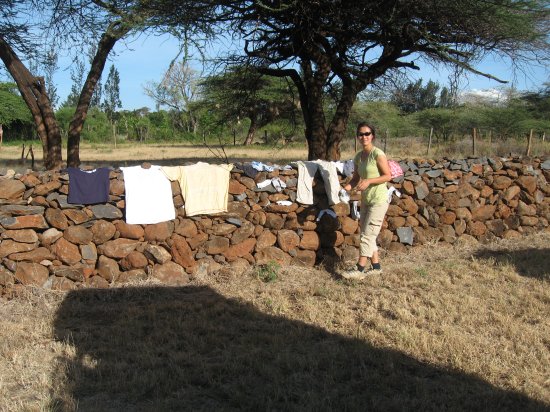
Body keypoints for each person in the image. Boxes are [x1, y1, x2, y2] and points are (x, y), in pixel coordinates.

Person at [341, 122, 391, 280]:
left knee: (368, 235)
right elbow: (356, 178)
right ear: (357, 136)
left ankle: (360, 269)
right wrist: (345, 189)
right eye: (361, 134)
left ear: (373, 136)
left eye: (367, 133)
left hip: (379, 199)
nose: (364, 137)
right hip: (366, 199)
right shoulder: (358, 156)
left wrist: (369, 181)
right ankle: (376, 267)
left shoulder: (378, 154)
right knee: (366, 233)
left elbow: (387, 176)